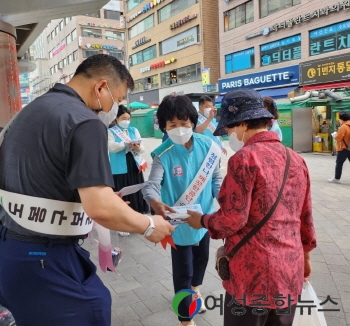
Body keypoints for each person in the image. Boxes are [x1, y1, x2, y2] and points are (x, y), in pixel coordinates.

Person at [0, 54, 174, 326]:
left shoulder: (31, 111)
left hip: (12, 251)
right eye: (116, 99)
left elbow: (41, 179)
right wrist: (149, 225)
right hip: (44, 256)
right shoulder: (85, 121)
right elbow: (100, 206)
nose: (115, 109)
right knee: (94, 308)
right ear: (100, 87)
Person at [186, 89, 317, 326]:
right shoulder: (296, 159)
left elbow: (232, 219)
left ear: (243, 124)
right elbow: (305, 215)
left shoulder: (243, 159)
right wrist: (305, 255)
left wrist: (202, 221)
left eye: (229, 128)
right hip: (289, 268)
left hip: (252, 274)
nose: (228, 134)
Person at [142, 95, 222, 326]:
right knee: (183, 271)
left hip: (204, 219)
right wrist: (154, 202)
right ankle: (185, 318)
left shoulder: (210, 146)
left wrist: (223, 198)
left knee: (202, 261)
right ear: (164, 127)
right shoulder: (162, 154)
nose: (179, 128)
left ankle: (195, 290)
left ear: (193, 121)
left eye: (184, 122)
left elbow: (216, 178)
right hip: (177, 225)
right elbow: (152, 185)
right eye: (172, 124)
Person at [108, 105, 148, 216]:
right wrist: (125, 144)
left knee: (135, 188)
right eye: (123, 119)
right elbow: (111, 147)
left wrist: (137, 148)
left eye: (128, 119)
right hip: (119, 165)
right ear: (117, 118)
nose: (126, 121)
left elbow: (142, 148)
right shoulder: (110, 131)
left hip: (134, 164)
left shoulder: (134, 130)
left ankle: (137, 214)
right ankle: (122, 217)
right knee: (122, 190)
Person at [328, 111, 350, 183]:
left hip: (343, 148)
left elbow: (338, 138)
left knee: (339, 163)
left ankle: (337, 178)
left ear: (342, 119)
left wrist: (334, 135)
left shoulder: (344, 127)